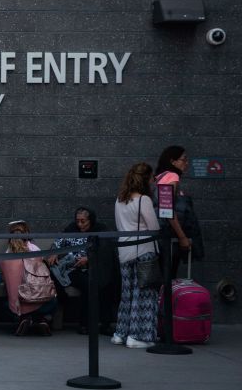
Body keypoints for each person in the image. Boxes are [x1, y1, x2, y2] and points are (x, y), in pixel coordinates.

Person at [44, 207, 118, 336]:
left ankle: (103, 323)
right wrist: (55, 252)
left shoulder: (100, 230)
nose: (80, 224)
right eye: (78, 221)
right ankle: (85, 324)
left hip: (96, 268)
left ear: (91, 220)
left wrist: (89, 259)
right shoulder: (71, 229)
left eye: (83, 221)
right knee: (86, 283)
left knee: (103, 284)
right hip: (73, 269)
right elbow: (59, 241)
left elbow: (106, 251)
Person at [113, 163, 161, 348]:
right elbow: (154, 227)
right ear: (146, 179)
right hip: (143, 251)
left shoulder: (119, 200)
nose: (153, 181)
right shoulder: (144, 200)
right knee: (144, 294)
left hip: (124, 251)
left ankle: (121, 333)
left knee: (127, 293)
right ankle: (138, 336)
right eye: (152, 178)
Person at [1, 220, 58, 336]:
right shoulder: (35, 250)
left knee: (5, 303)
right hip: (40, 300)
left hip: (17, 305)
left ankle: (25, 318)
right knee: (52, 300)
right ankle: (40, 319)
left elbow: (5, 280)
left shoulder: (6, 254)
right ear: (27, 234)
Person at [154, 145, 198, 278]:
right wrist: (182, 237)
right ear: (173, 162)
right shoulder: (172, 176)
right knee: (168, 276)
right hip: (168, 236)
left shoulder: (159, 177)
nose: (187, 163)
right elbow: (166, 209)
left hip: (160, 235)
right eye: (184, 160)